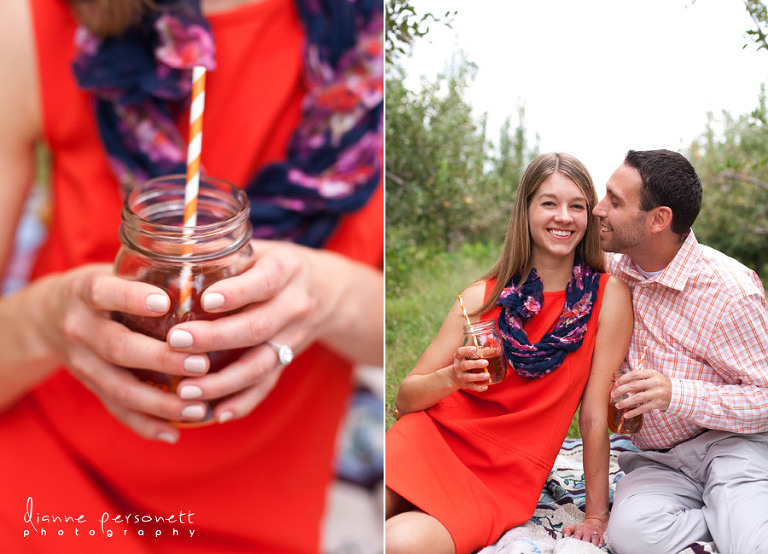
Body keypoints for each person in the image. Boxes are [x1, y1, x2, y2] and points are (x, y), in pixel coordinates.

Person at [0, 0, 383, 552]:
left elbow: (397, 340)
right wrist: (46, 321)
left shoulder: (370, 47)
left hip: (258, 516)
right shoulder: (35, 20)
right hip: (39, 486)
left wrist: (328, 293)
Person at [385, 152, 633, 554]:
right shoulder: (482, 297)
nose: (564, 217)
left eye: (577, 206)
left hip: (500, 479)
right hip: (430, 442)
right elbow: (404, 398)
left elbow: (591, 417)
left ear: (589, 216)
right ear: (527, 210)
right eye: (549, 203)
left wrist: (596, 515)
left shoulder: (607, 298)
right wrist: (452, 377)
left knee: (397, 544)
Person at [594, 149, 768, 554]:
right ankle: (725, 516)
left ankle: (738, 516)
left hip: (731, 444)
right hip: (659, 460)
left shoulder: (731, 291)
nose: (599, 210)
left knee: (753, 546)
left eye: (615, 201)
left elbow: (766, 397)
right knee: (630, 538)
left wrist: (676, 394)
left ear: (659, 219)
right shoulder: (610, 265)